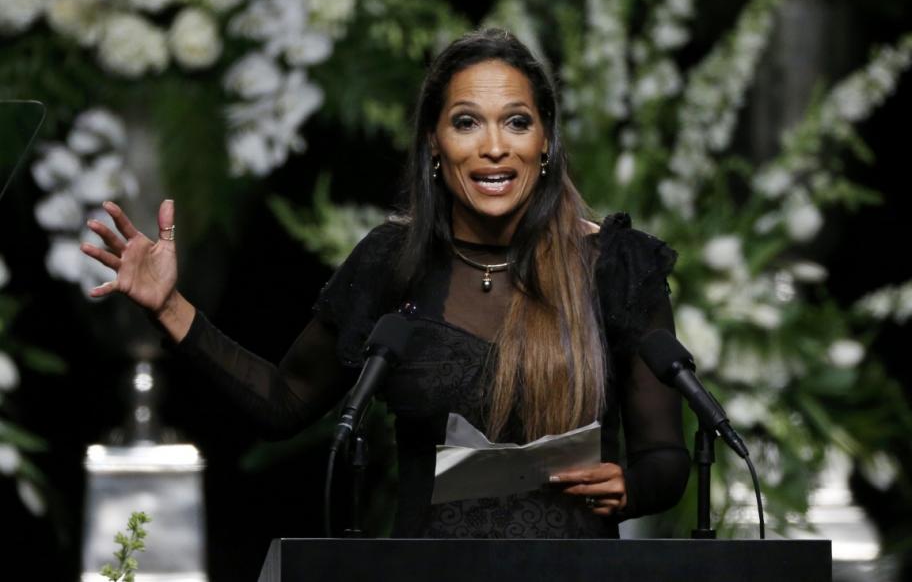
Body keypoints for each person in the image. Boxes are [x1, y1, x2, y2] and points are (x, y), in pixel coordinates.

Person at [79, 28, 690, 538]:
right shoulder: (392, 263)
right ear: (434, 142)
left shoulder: (614, 266)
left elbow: (665, 458)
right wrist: (171, 308)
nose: (496, 147)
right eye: (468, 122)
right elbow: (284, 402)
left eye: (517, 122)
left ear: (546, 141)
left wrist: (634, 487)